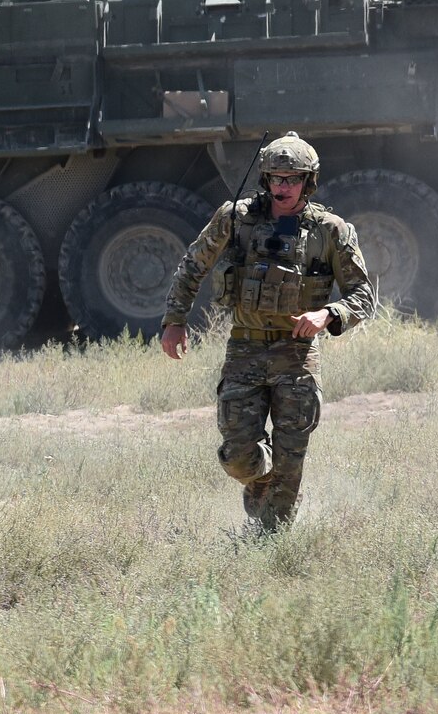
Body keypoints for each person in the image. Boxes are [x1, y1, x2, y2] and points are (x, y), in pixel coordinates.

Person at [159, 133, 373, 533]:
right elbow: (193, 265)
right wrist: (175, 320)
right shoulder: (235, 217)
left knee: (291, 461)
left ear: (308, 182)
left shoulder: (331, 230)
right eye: (276, 178)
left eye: (292, 179)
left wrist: (328, 313)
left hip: (297, 354)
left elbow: (362, 294)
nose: (282, 188)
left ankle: (272, 548)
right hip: (246, 349)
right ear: (265, 179)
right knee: (238, 456)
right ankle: (261, 480)